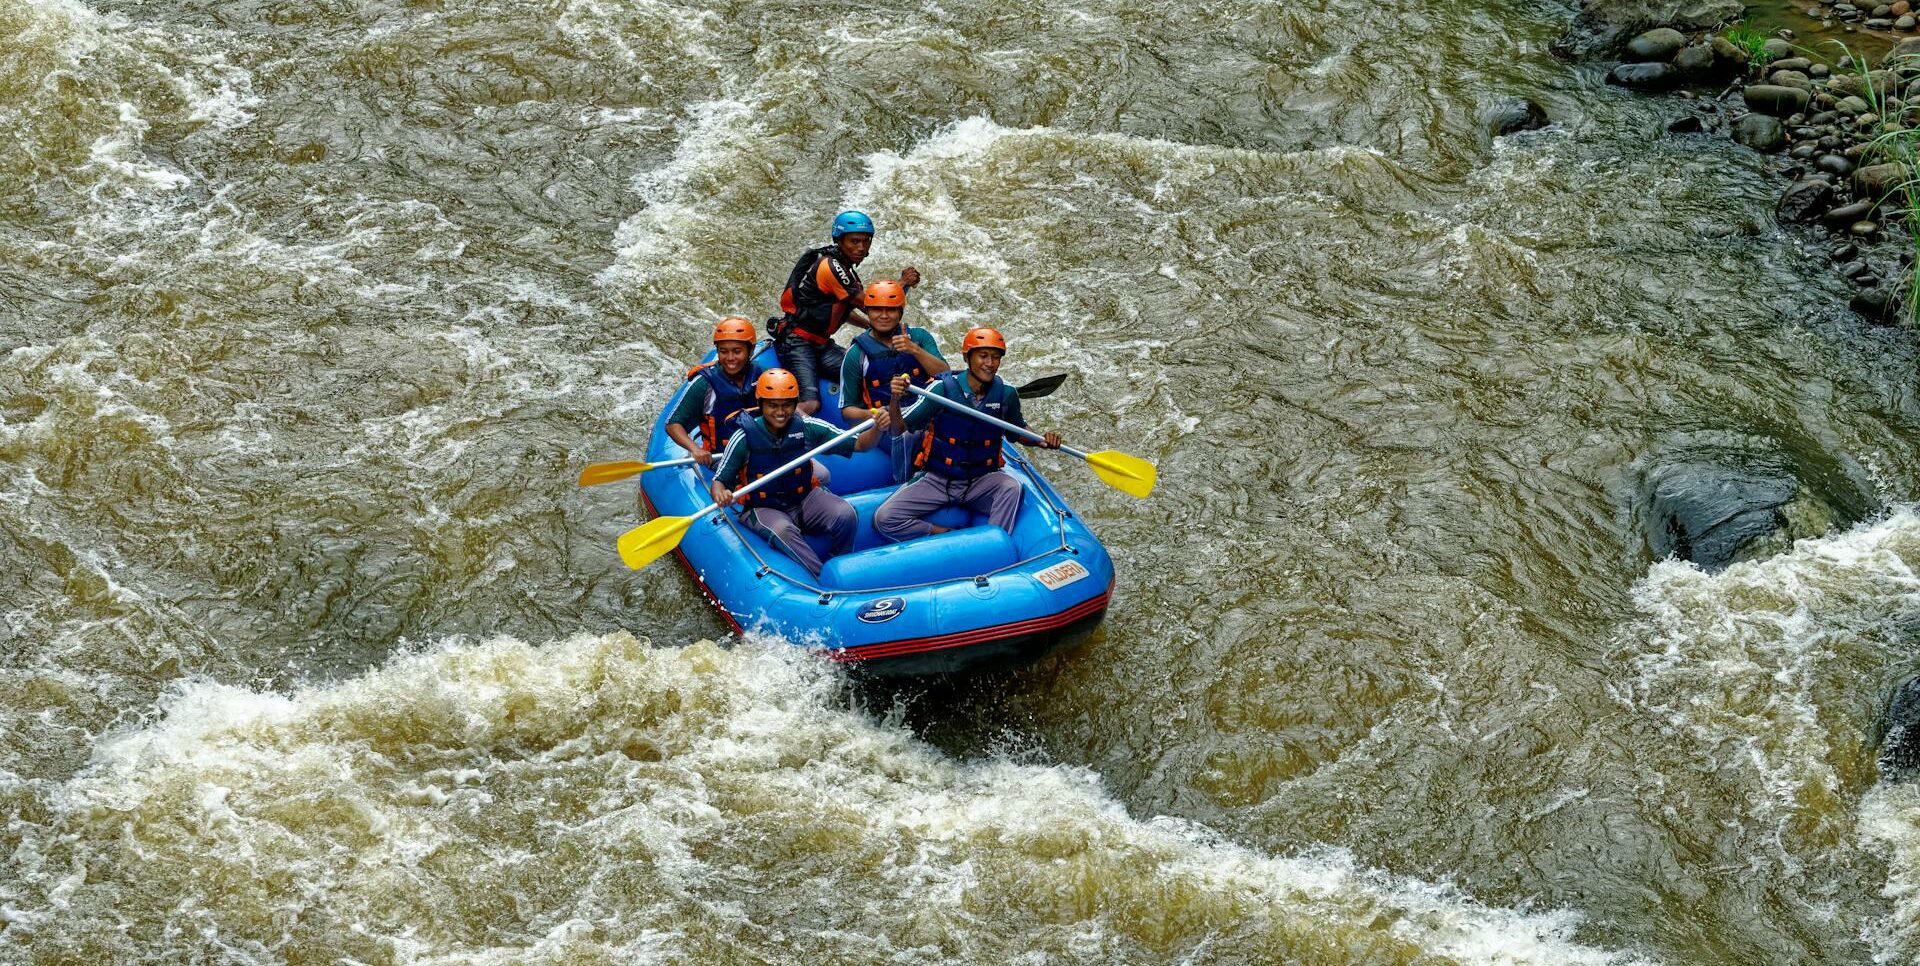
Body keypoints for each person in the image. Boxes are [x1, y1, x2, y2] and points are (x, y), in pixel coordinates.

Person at [874, 327, 1061, 542]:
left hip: (981, 480)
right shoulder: (941, 390)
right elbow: (899, 429)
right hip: (938, 479)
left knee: (1011, 487)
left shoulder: (1006, 394)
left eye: (996, 358)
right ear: (967, 357)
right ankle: (945, 534)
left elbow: (1018, 432)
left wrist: (1041, 440)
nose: (990, 364)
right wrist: (895, 399)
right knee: (884, 517)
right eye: (983, 356)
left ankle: (991, 543)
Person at [712, 369, 888, 577]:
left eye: (787, 405)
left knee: (845, 514)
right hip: (762, 506)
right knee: (783, 530)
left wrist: (878, 428)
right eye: (773, 406)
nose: (780, 412)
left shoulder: (806, 426)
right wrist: (721, 494)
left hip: (803, 497)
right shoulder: (743, 437)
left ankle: (838, 563)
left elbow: (860, 444)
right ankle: (821, 577)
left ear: (795, 404)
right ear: (761, 403)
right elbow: (719, 482)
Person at [771, 210, 921, 416]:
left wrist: (868, 325)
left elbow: (842, 309)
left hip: (820, 344)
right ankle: (776, 434)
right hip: (797, 342)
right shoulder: (831, 267)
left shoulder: (846, 269)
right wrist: (903, 282)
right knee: (811, 404)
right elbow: (870, 303)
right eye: (854, 241)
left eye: (866, 241)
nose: (861, 247)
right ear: (839, 240)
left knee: (863, 373)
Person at [839, 280, 947, 482]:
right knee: (906, 434)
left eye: (890, 310)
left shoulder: (919, 337)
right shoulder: (857, 355)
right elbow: (847, 411)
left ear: (900, 312)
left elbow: (944, 374)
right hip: (887, 426)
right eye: (877, 310)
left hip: (925, 415)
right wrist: (873, 415)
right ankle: (908, 483)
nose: (883, 316)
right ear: (868, 312)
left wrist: (915, 350)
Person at [664, 316, 763, 465]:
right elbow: (673, 424)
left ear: (751, 350)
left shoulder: (760, 375)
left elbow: (783, 406)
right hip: (721, 457)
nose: (730, 358)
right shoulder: (705, 384)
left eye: (737, 351)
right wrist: (695, 449)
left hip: (759, 449)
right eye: (723, 352)